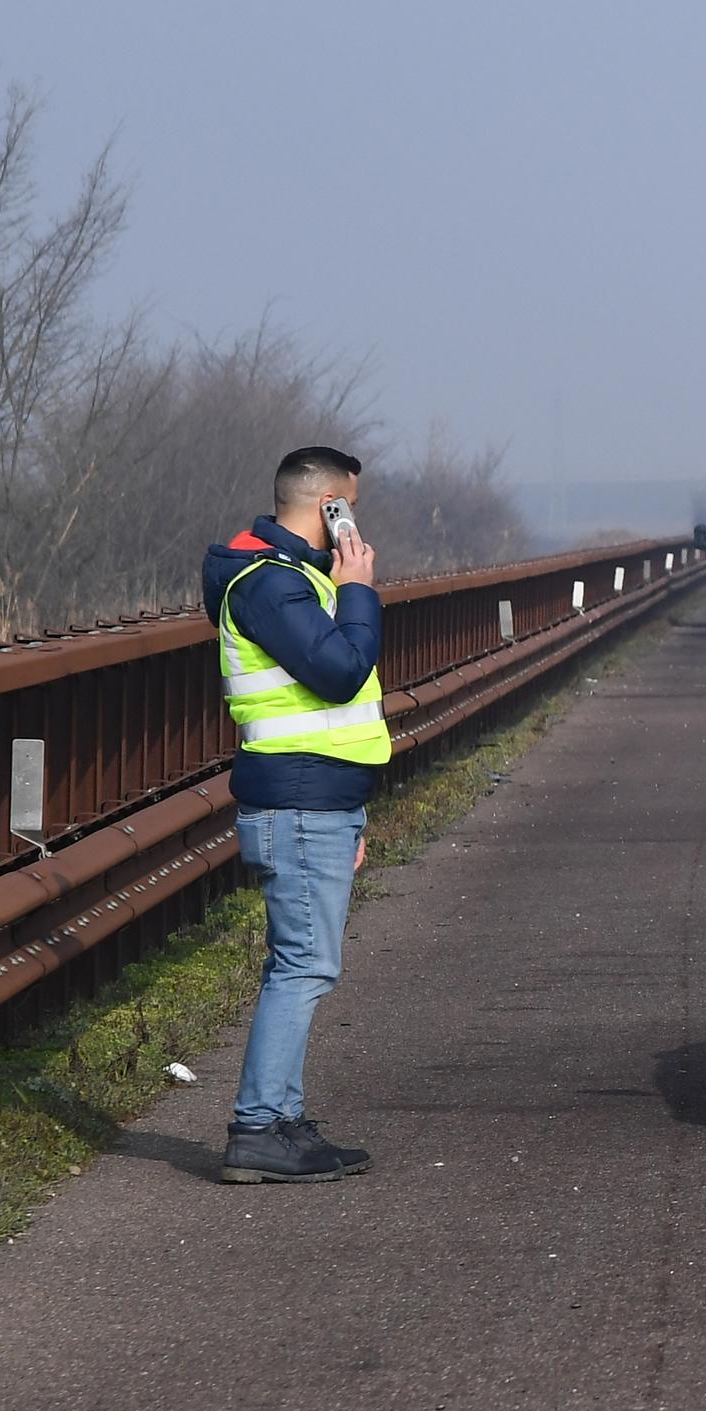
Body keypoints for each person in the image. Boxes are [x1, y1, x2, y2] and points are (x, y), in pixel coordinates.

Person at [202, 446, 389, 1184]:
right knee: (303, 965)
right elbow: (341, 673)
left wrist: (355, 817)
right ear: (328, 505)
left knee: (303, 962)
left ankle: (278, 1118)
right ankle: (259, 1126)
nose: (355, 523)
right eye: (351, 508)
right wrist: (361, 591)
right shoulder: (272, 586)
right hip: (300, 801)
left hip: (317, 800)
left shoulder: (293, 580)